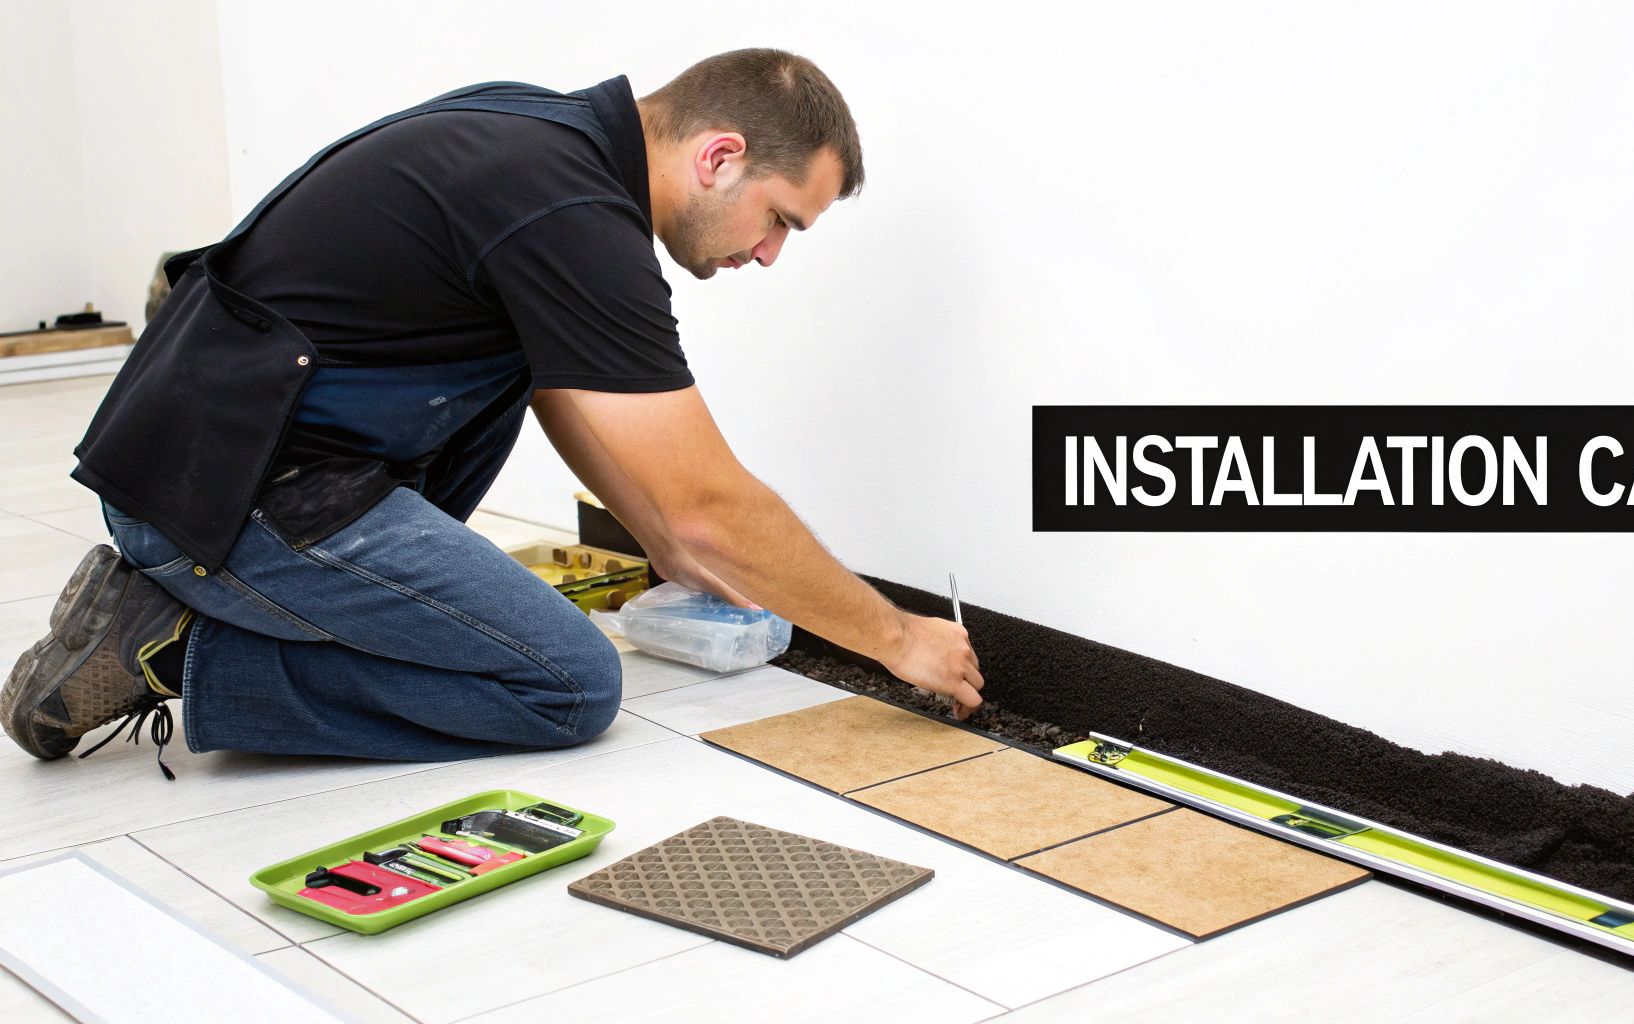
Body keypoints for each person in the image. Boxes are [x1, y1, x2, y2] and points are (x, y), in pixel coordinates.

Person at [2, 48, 983, 777]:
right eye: (779, 219)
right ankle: (178, 645)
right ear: (719, 156)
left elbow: (562, 389)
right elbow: (712, 504)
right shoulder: (567, 215)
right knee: (566, 686)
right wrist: (897, 638)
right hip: (223, 495)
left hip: (225, 458)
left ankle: (214, 609)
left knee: (506, 439)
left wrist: (653, 536)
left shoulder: (549, 147)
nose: (769, 254)